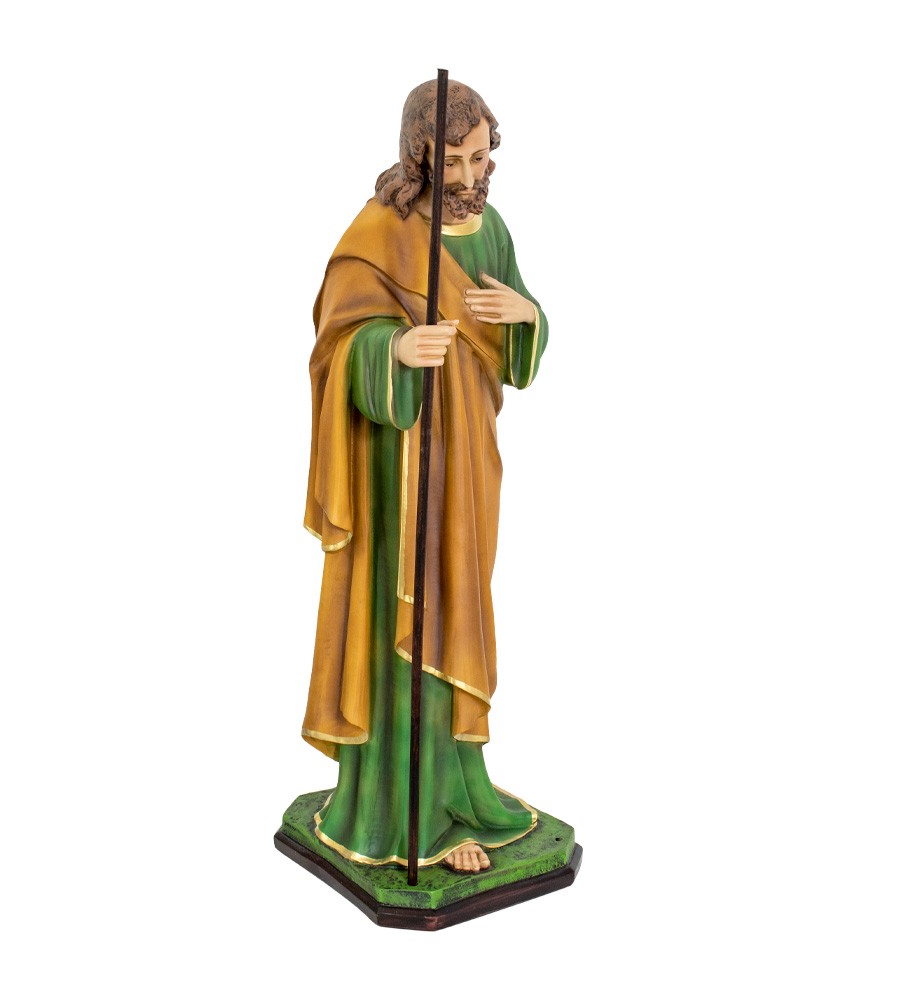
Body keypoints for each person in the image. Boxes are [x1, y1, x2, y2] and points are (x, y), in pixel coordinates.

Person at [301, 80, 549, 874]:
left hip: (468, 455)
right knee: (405, 611)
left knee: (459, 599)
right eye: (454, 161)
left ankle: (457, 787)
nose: (472, 175)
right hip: (398, 467)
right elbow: (335, 345)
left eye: (480, 157)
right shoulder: (380, 232)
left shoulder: (490, 228)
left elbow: (516, 329)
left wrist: (529, 320)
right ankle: (399, 813)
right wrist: (393, 351)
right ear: (419, 155)